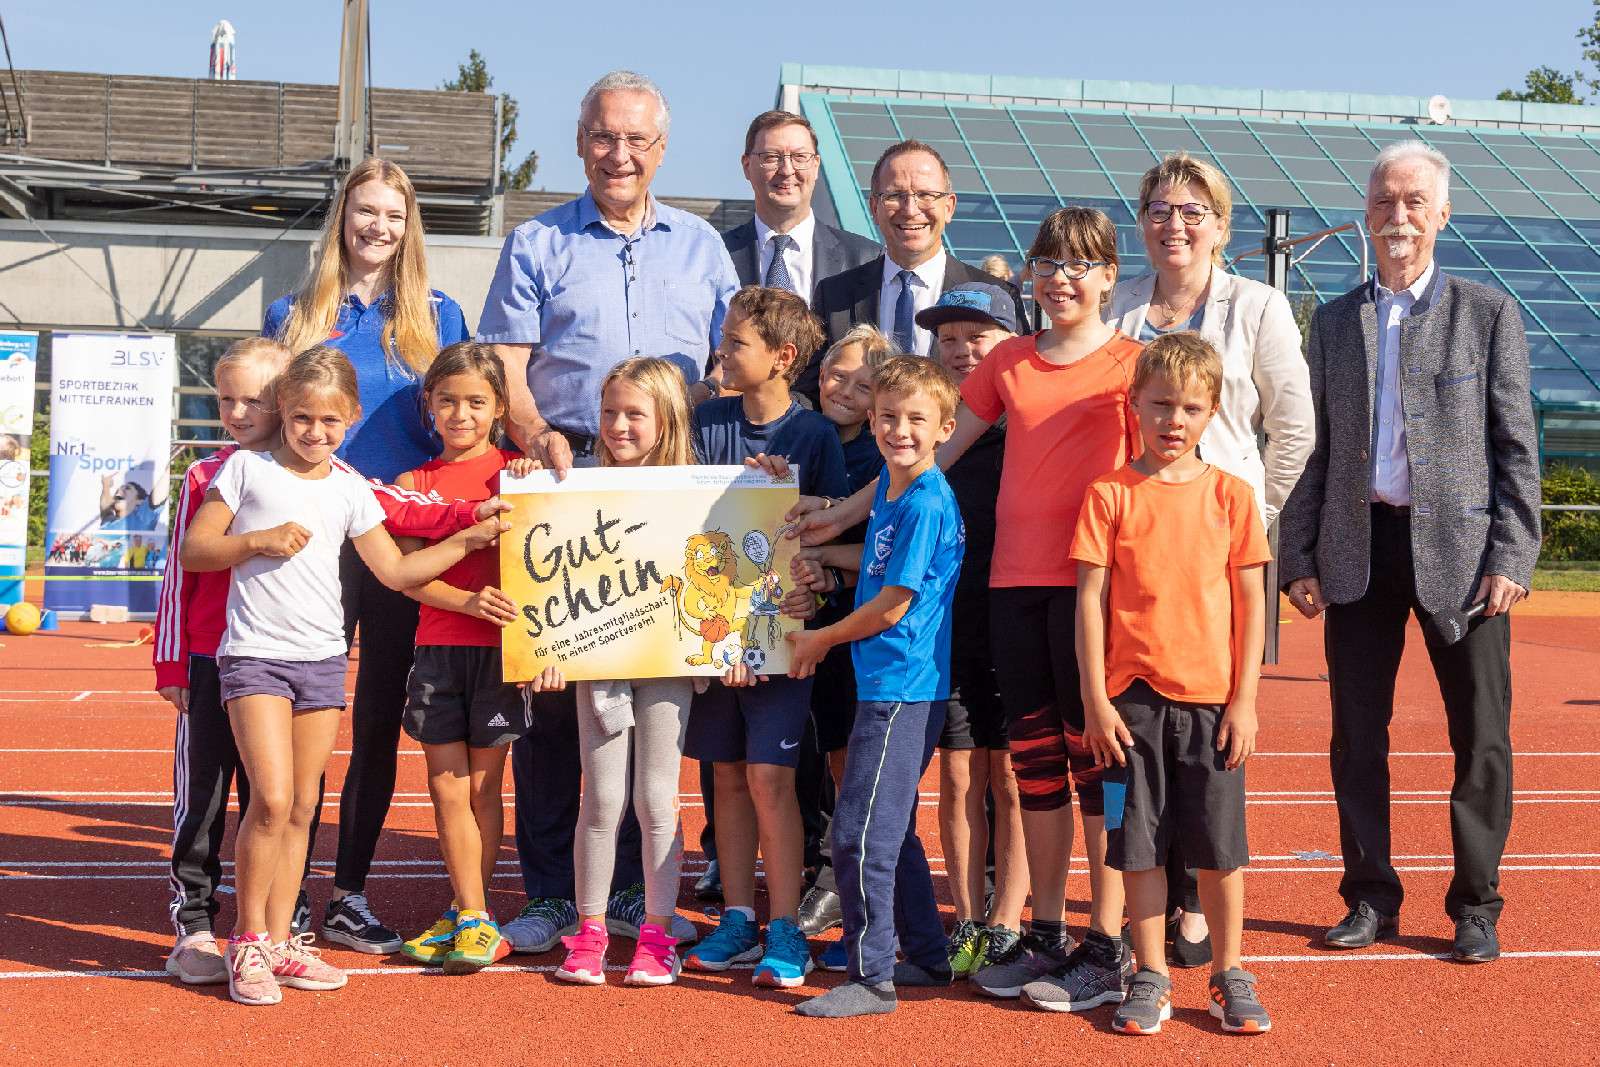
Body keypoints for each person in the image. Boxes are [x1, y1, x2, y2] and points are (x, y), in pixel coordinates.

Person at [476, 71, 737, 951]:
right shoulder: (536, 241)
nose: (619, 154)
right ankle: (554, 890)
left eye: (637, 140)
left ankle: (632, 891)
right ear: (581, 140)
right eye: (603, 136)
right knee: (559, 710)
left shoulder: (704, 245)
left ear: (660, 149)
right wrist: (541, 436)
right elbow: (508, 365)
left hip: (669, 485)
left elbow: (729, 369)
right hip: (567, 476)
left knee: (654, 698)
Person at [156, 338, 492, 984]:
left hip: (321, 663)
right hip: (254, 656)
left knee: (306, 806)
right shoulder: (246, 471)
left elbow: (395, 569)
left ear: (351, 420)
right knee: (273, 798)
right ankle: (249, 939)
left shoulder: (349, 488)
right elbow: (196, 549)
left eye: (331, 421)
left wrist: (469, 537)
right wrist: (258, 540)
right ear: (284, 409)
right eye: (304, 417)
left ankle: (281, 939)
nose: (316, 431)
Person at [1279, 141, 1541, 965]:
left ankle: (1475, 903)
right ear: (1367, 213)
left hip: (1464, 560)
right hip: (1356, 552)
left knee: (1481, 735)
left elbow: (1516, 447)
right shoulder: (1331, 320)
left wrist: (1512, 553)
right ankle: (1369, 895)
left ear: (1441, 212)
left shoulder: (1487, 313)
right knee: (1357, 735)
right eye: (1385, 202)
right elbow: (1310, 449)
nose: (1398, 216)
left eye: (1414, 201)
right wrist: (1299, 554)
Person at [1105, 150, 1313, 965]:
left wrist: (1246, 526)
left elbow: (1292, 430)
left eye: (1194, 210)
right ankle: (1154, 896)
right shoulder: (1118, 308)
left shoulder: (1259, 307)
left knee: (1215, 734)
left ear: (1222, 227)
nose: (1176, 223)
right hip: (1136, 553)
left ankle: (1195, 897)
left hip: (1224, 558)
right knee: (1145, 734)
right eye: (1160, 208)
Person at [263, 156, 470, 952]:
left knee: (379, 719)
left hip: (396, 537)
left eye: (393, 214)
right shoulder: (294, 309)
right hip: (311, 537)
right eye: (365, 211)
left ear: (408, 225)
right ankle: (286, 892)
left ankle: (346, 892)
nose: (378, 227)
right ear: (343, 218)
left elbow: (462, 418)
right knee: (299, 714)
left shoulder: (439, 315)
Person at [1065, 331, 1273, 1035]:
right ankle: (1149, 969)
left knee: (1220, 846)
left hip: (1213, 705)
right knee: (1136, 843)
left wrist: (1245, 699)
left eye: (1189, 406)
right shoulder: (1108, 496)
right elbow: (1089, 599)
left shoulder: (1233, 497)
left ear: (1212, 411)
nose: (1173, 420)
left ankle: (1228, 970)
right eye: (1160, 404)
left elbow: (1251, 603)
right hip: (1130, 711)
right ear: (1135, 405)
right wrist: (1095, 697)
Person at [787, 355, 966, 1017]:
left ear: (944, 427)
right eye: (888, 416)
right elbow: (860, 541)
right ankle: (924, 952)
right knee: (890, 826)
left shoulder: (923, 498)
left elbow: (893, 602)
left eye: (916, 419)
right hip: (888, 681)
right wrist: (816, 537)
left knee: (857, 832)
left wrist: (820, 638)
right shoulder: (895, 484)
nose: (900, 429)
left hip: (901, 685)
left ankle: (872, 975)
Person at [681, 286, 848, 988]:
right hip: (709, 637)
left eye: (737, 340)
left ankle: (786, 926)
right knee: (724, 776)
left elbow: (829, 534)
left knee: (771, 779)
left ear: (782, 358)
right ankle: (739, 921)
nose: (722, 348)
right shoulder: (704, 420)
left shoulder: (813, 436)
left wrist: (814, 580)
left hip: (779, 638)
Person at [551, 357, 703, 987]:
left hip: (669, 666)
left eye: (634, 413)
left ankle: (658, 932)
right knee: (603, 797)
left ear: (665, 420)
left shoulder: (703, 488)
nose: (617, 425)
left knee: (655, 798)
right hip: (601, 664)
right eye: (609, 410)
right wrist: (548, 650)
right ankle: (589, 932)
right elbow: (552, 574)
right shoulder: (572, 485)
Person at [392, 342, 539, 975]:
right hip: (439, 651)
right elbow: (404, 576)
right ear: (428, 405)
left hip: (503, 656)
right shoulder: (411, 485)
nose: (461, 414)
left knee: (485, 786)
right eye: (447, 401)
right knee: (445, 786)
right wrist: (468, 603)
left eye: (476, 402)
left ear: (499, 407)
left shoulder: (519, 473)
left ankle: (472, 913)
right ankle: (472, 914)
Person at [915, 284, 1029, 979]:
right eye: (948, 337)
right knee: (957, 777)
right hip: (946, 625)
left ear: (1010, 343)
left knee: (1013, 777)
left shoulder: (1033, 423)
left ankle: (1010, 921)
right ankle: (967, 918)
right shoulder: (925, 428)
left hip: (1017, 619)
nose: (960, 350)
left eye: (976, 336)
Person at [794, 324, 894, 941]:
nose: (847, 391)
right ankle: (808, 857)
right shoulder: (795, 436)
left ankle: (837, 871)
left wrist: (827, 562)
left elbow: (881, 544)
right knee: (795, 748)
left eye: (865, 385)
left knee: (845, 751)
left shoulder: (882, 456)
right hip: (795, 614)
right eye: (838, 374)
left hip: (854, 623)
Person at [812, 140, 1025, 361]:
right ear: (875, 209)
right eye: (895, 196)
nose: (911, 210)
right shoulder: (834, 296)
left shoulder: (1001, 297)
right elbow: (810, 387)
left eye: (926, 195)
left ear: (949, 207)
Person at [722, 110, 882, 403]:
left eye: (800, 157)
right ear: (747, 166)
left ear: (816, 165)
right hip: (736, 429)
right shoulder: (717, 255)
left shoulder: (865, 258)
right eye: (771, 157)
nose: (787, 170)